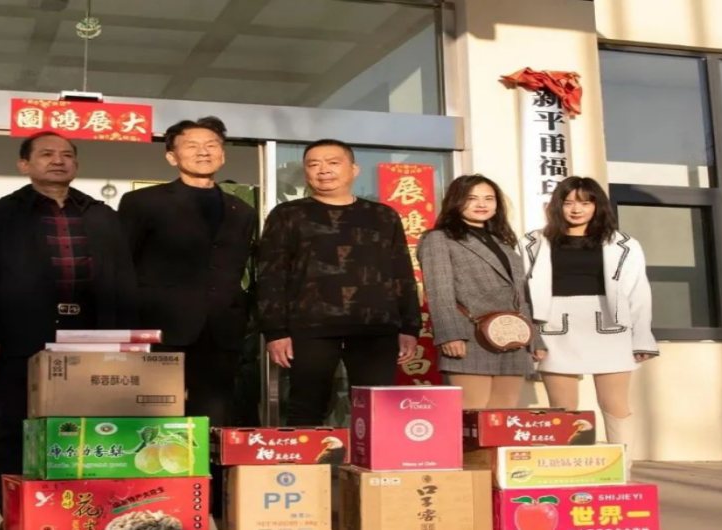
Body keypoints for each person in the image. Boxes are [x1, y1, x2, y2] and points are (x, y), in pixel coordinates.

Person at [0, 132, 137, 517]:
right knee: (16, 424)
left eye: (67, 155)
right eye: (46, 154)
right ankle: (13, 511)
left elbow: (122, 279)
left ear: (77, 164)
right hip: (21, 334)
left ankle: (79, 507)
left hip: (92, 336)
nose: (58, 160)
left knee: (88, 423)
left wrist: (125, 338)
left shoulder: (101, 214)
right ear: (24, 164)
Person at [117, 116, 255, 516]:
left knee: (215, 415)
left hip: (222, 327)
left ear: (223, 154)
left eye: (211, 144)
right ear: (171, 156)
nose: (203, 151)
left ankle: (209, 500)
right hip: (159, 326)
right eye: (192, 145)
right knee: (156, 416)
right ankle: (155, 499)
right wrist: (124, 326)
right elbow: (121, 266)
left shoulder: (241, 209)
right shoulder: (143, 203)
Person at [257, 139, 421, 426]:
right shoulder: (288, 215)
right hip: (310, 327)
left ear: (354, 169)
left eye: (333, 163)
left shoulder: (383, 215)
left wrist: (409, 326)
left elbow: (401, 272)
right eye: (314, 164)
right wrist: (274, 331)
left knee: (378, 410)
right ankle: (308, 458)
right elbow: (271, 274)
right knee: (306, 408)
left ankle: (371, 459)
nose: (323, 170)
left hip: (374, 328)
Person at [520, 177, 657, 460]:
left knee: (615, 404)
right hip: (553, 328)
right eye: (568, 202)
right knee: (563, 409)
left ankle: (622, 468)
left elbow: (638, 291)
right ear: (556, 205)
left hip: (610, 327)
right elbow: (521, 291)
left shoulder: (623, 243)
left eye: (585, 202)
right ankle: (570, 468)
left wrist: (642, 338)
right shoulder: (532, 242)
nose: (576, 209)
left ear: (598, 205)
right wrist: (532, 334)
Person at [418, 175, 544, 409]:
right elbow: (439, 291)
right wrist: (449, 335)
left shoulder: (502, 241)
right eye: (472, 198)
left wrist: (534, 338)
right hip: (469, 335)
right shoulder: (439, 238)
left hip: (513, 335)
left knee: (504, 411)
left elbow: (520, 294)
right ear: (456, 201)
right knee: (473, 411)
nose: (482, 204)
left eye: (489, 198)